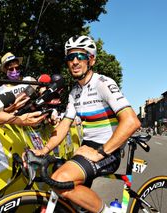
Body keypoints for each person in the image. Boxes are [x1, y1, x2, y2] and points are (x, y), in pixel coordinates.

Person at [27, 35, 140, 212]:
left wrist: (100, 152)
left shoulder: (103, 83)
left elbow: (132, 121)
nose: (74, 61)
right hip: (86, 149)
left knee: (60, 180)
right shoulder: (74, 92)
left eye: (80, 56)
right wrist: (44, 150)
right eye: (70, 57)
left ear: (91, 60)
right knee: (58, 175)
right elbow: (64, 125)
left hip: (107, 151)